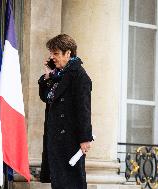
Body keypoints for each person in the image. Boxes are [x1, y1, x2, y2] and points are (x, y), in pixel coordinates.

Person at [38, 34, 94, 189]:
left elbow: (84, 109)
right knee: (59, 182)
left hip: (70, 140)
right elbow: (46, 97)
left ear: (68, 53)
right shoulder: (58, 76)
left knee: (71, 182)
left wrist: (85, 138)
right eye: (51, 53)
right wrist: (47, 76)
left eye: (55, 53)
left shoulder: (79, 76)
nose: (52, 57)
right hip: (56, 139)